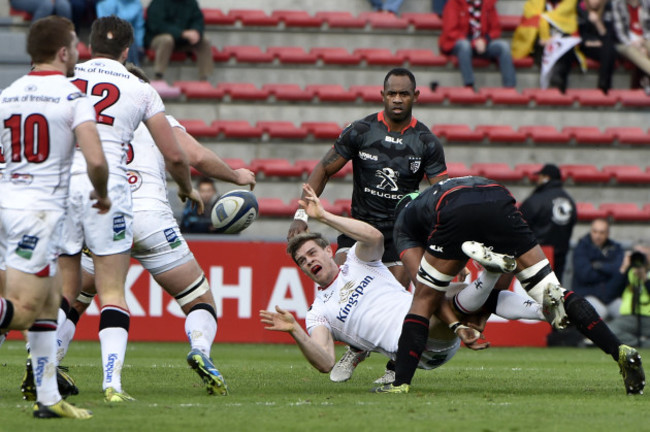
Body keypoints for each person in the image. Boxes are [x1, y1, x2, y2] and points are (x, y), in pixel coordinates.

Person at [53, 105, 256, 397]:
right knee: (199, 298)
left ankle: (46, 363)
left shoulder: (90, 118)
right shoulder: (156, 117)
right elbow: (194, 155)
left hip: (104, 215)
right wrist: (235, 176)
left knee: (75, 298)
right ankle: (199, 349)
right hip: (151, 220)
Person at [375, 176, 645, 395]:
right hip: (497, 197)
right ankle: (618, 349)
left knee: (422, 300)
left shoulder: (404, 224)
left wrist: (458, 325)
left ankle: (400, 384)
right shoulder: (436, 193)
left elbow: (427, 297)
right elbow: (506, 265)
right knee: (553, 293)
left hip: (454, 209)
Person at [55, 16, 201, 403]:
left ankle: (44, 370)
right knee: (112, 291)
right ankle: (112, 384)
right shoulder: (140, 88)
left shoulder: (63, 77)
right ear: (127, 51)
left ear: (87, 47)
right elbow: (174, 153)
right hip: (109, 191)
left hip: (61, 188)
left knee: (66, 292)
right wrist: (187, 189)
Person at [261, 184, 544, 382]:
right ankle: (491, 274)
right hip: (417, 349)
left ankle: (544, 310)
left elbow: (373, 237)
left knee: (448, 293)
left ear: (328, 251)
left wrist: (323, 216)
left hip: (430, 320)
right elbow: (325, 363)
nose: (308, 261)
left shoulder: (358, 263)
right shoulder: (318, 312)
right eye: (301, 261)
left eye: (312, 252)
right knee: (443, 296)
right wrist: (295, 330)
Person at [286, 67, 448, 382]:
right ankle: (356, 349)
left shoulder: (426, 141)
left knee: (395, 299)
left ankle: (392, 366)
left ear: (415, 96)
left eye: (404, 94)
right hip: (358, 229)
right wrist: (301, 215)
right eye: (392, 94)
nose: (398, 100)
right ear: (382, 95)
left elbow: (442, 192)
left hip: (401, 233)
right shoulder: (360, 131)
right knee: (343, 283)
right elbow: (323, 169)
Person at [0, 16, 109, 418]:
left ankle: (48, 400)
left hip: (4, 205)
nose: (79, 51)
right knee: (25, 310)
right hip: (37, 213)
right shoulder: (72, 95)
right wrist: (101, 193)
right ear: (63, 52)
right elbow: (95, 159)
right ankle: (47, 396)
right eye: (76, 45)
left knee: (48, 305)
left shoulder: (7, 94)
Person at [439, 0, 516, 91]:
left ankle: (510, 88)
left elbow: (496, 29)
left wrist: (485, 40)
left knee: (503, 46)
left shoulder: (487, 4)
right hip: (457, 42)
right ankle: (469, 85)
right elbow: (450, 31)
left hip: (482, 43)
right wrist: (473, 42)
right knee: (464, 46)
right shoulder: (453, 3)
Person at [511, 0, 586, 92]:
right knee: (550, 50)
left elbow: (572, 27)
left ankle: (558, 80)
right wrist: (542, 40)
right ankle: (556, 84)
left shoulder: (570, 5)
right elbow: (528, 26)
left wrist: (557, 38)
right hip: (541, 43)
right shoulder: (534, 4)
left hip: (563, 43)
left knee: (566, 49)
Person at [519, 164, 576, 283]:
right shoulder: (569, 200)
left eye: (539, 176)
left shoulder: (536, 200)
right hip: (560, 256)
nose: (537, 180)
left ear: (546, 177)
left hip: (537, 256)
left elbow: (519, 223)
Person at [144, 0, 214, 81]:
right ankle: (158, 76)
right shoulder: (158, 2)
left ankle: (205, 78)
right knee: (167, 40)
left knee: (204, 40)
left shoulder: (191, 3)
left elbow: (198, 19)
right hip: (157, 39)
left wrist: (196, 31)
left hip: (183, 41)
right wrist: (181, 33)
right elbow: (157, 25)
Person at [571, 218, 626, 321]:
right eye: (595, 231)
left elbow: (620, 272)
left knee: (626, 312)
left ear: (608, 233)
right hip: (587, 294)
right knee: (600, 312)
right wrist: (609, 271)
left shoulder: (616, 248)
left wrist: (598, 266)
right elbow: (585, 275)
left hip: (610, 296)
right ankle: (588, 338)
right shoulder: (581, 248)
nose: (598, 236)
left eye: (602, 232)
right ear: (591, 231)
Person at [609, 247, 650, 347]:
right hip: (631, 317)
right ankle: (642, 343)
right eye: (637, 255)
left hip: (648, 317)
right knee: (610, 331)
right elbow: (612, 292)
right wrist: (624, 267)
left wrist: (645, 279)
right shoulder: (629, 273)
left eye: (644, 255)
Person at [577, 0, 619, 93]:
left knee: (609, 49)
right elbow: (579, 34)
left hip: (602, 45)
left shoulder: (607, 8)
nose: (595, 1)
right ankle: (605, 84)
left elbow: (608, 34)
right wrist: (590, 42)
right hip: (585, 45)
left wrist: (597, 22)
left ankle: (603, 84)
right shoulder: (580, 8)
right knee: (609, 50)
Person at [612, 0, 650, 93]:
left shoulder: (646, 3)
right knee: (634, 52)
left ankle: (646, 83)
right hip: (625, 42)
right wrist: (635, 44)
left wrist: (644, 40)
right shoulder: (617, 4)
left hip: (644, 38)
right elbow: (620, 33)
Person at [96, 0, 145, 65]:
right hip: (108, 37)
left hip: (130, 40)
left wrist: (140, 45)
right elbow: (105, 26)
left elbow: (139, 27)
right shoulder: (105, 4)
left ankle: (131, 70)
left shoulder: (137, 4)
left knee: (129, 41)